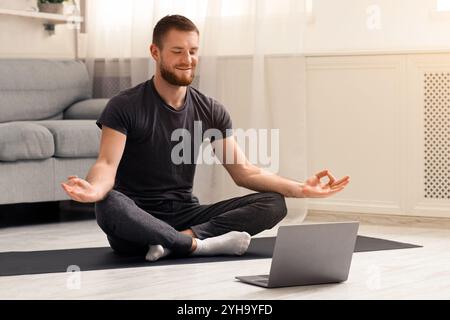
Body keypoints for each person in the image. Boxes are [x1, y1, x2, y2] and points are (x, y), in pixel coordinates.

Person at [61, 15, 350, 262]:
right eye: (177, 51)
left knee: (274, 203)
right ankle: (199, 245)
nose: (187, 60)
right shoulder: (125, 105)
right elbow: (107, 165)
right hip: (138, 219)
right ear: (155, 52)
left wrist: (301, 188)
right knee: (109, 204)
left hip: (186, 213)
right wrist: (95, 190)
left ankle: (179, 241)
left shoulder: (210, 110)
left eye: (193, 51)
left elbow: (244, 172)